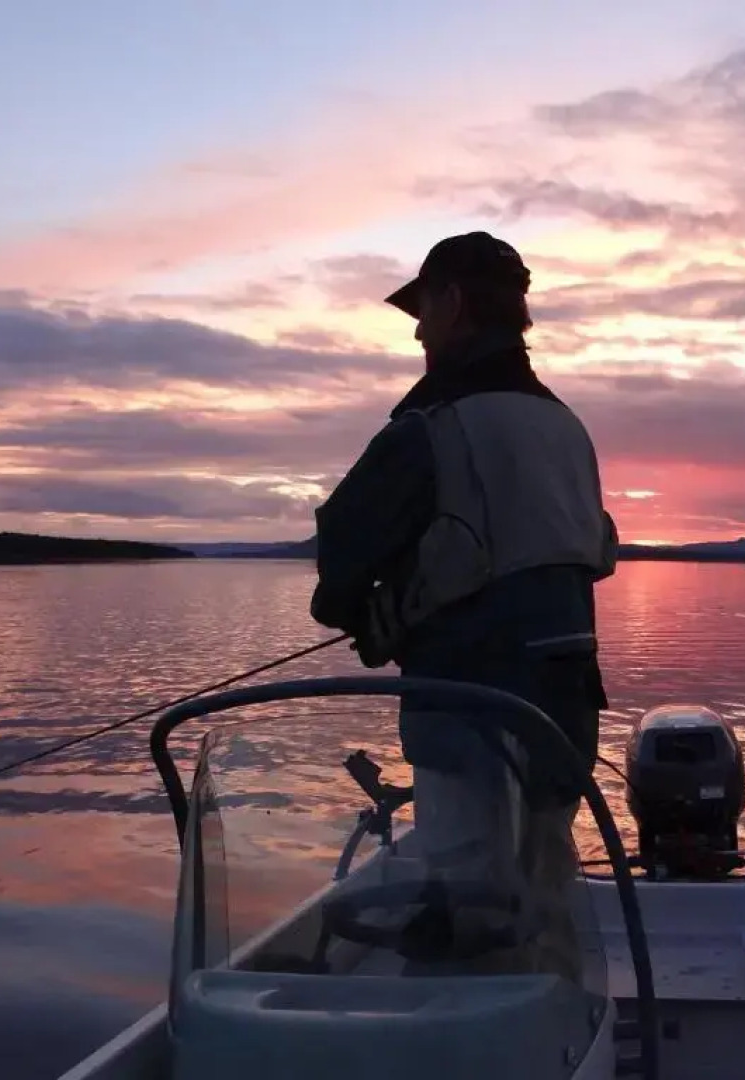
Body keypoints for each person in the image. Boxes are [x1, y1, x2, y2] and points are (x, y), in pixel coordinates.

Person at [308, 231, 617, 958]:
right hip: (567, 707)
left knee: (464, 902)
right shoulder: (567, 426)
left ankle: (469, 1038)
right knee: (545, 886)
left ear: (452, 301)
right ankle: (560, 1030)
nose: (417, 329)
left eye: (423, 308)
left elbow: (342, 557)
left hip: (467, 704)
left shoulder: (434, 424)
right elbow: (589, 553)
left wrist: (365, 614)